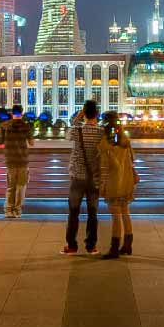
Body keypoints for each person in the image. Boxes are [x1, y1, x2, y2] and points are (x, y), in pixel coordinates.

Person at [62, 100, 103, 255]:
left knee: (73, 212)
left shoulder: (76, 130)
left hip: (77, 177)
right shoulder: (101, 132)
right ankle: (91, 246)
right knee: (93, 213)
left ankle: (72, 246)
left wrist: (76, 119)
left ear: (84, 114)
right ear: (97, 114)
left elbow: (67, 135)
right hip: (94, 178)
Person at [98, 111, 138, 258]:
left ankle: (114, 249)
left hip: (114, 183)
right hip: (127, 181)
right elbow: (132, 159)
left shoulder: (105, 143)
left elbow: (104, 166)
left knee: (115, 216)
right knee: (125, 213)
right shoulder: (125, 140)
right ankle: (127, 245)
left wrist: (102, 185)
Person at [0, 113, 31, 219]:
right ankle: (17, 211)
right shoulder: (26, 126)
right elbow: (31, 142)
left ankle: (8, 210)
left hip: (10, 160)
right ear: (21, 114)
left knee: (10, 187)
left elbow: (0, 142)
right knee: (21, 187)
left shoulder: (4, 125)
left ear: (12, 114)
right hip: (22, 160)